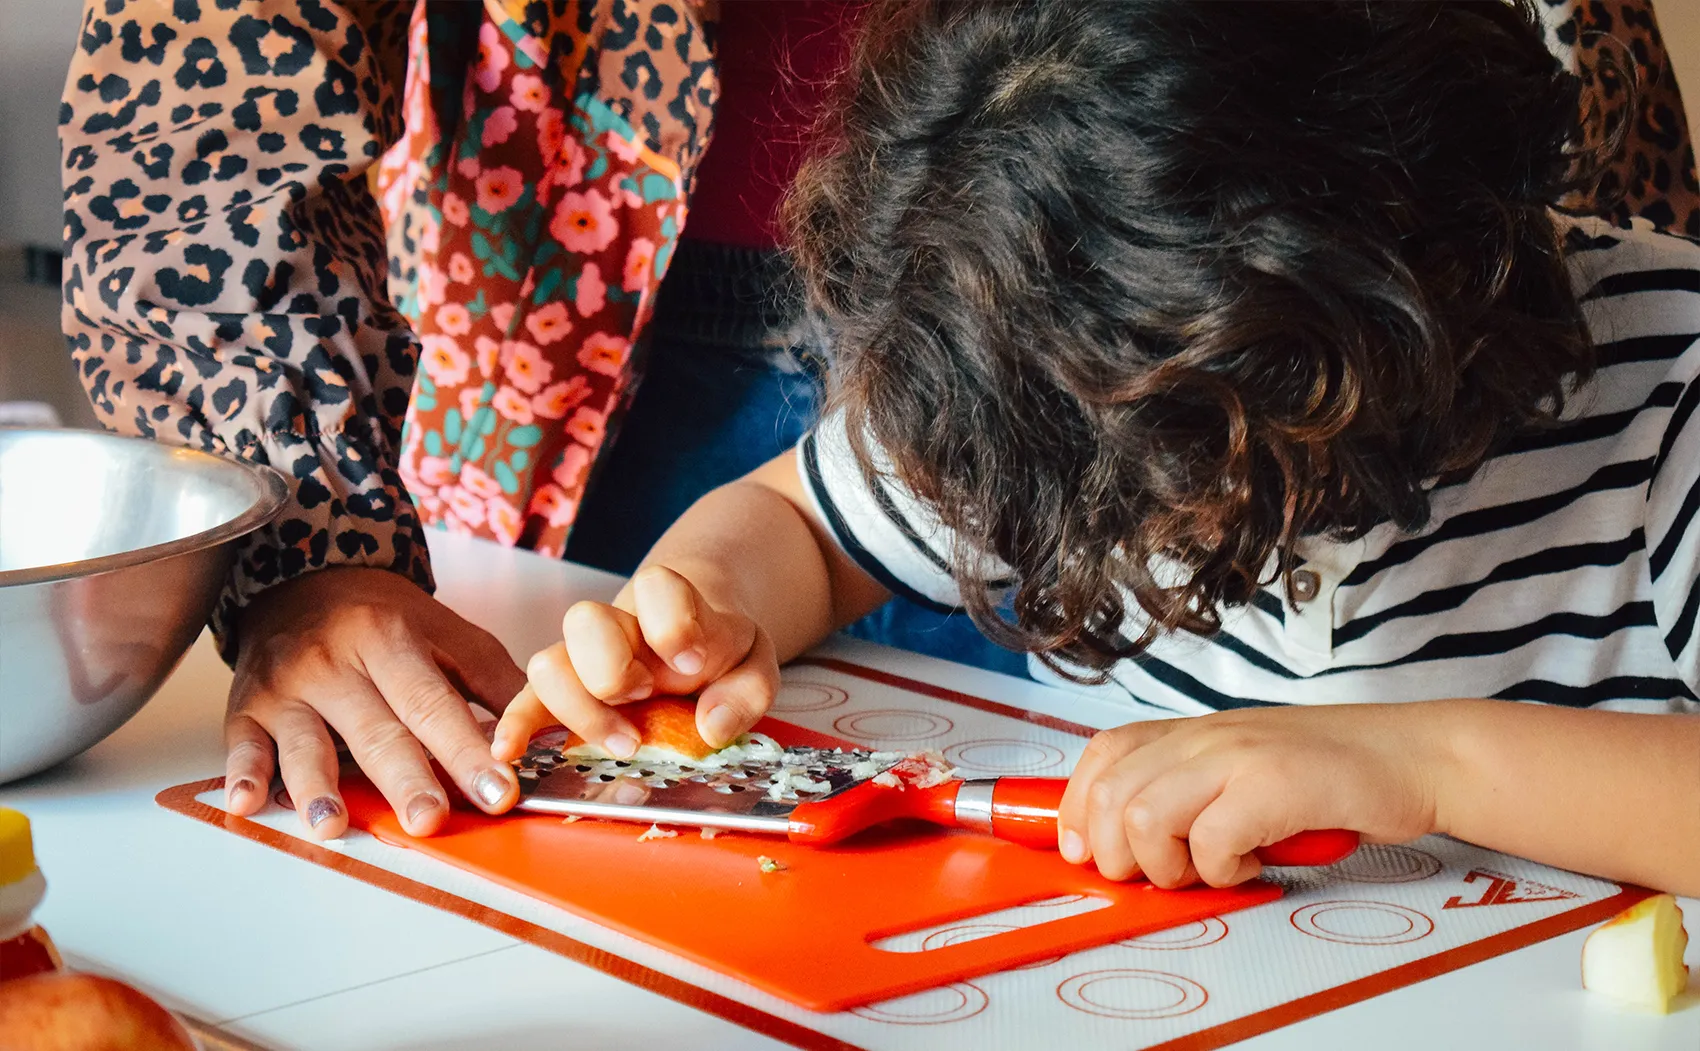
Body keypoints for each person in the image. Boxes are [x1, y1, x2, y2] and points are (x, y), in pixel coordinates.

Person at [60, 0, 1695, 845]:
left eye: (1190, 487)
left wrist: (1422, 763)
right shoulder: (1042, 359)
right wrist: (707, 603)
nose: (1132, 545)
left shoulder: (1668, 404)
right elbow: (815, 521)